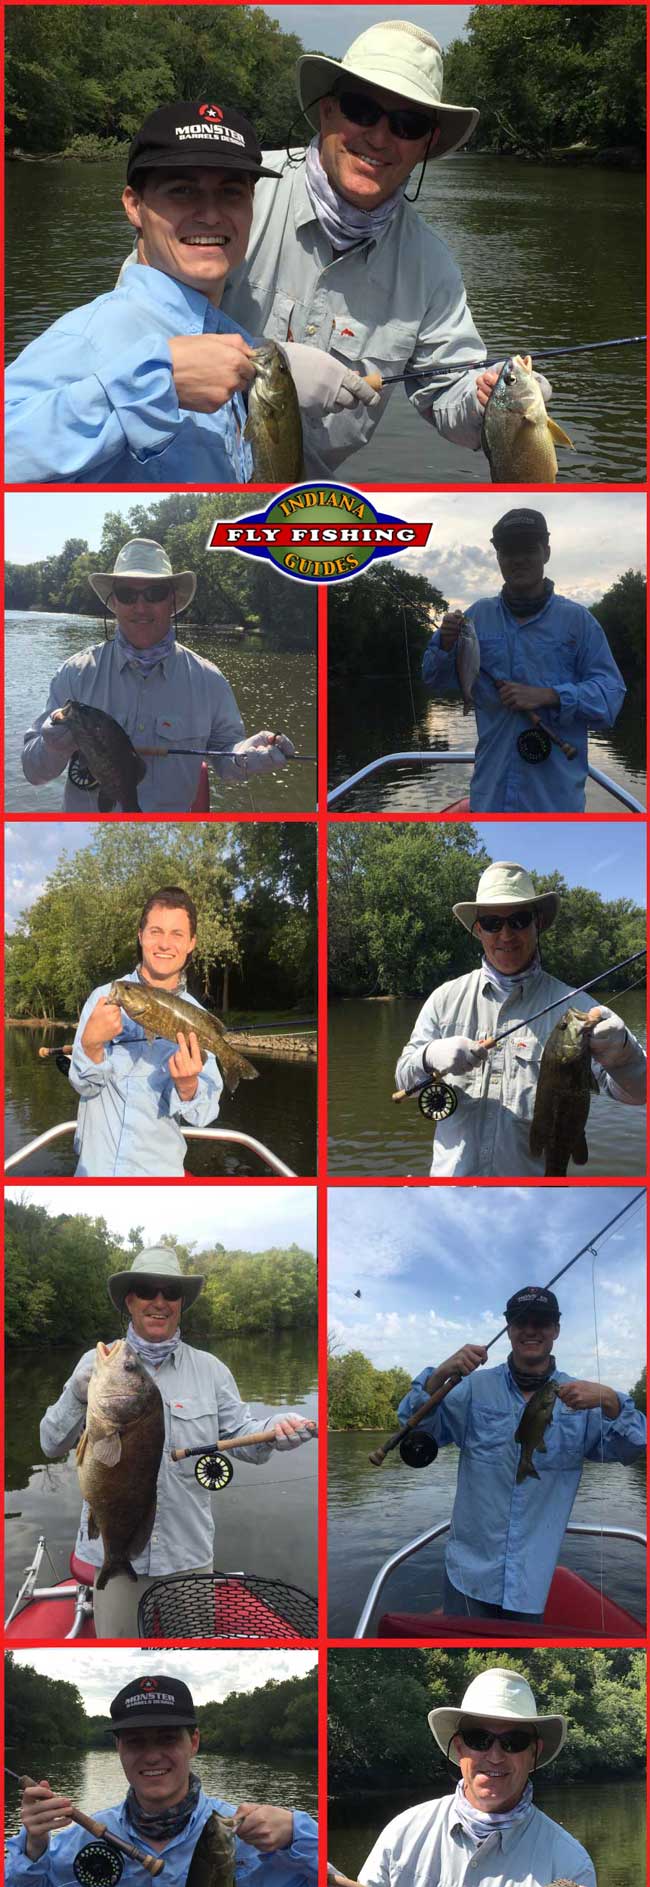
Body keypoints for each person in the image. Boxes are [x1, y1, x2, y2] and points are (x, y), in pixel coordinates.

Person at [221, 20, 544, 476]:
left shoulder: (431, 267)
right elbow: (138, 323)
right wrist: (243, 360)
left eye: (407, 124)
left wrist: (490, 399)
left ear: (425, 144)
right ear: (327, 111)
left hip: (301, 498)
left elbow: (447, 394)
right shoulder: (235, 191)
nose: (379, 137)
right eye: (361, 109)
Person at [5, 99, 376, 484]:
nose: (211, 214)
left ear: (252, 205)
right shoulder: (95, 335)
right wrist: (157, 385)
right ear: (134, 206)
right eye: (183, 191)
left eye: (231, 193)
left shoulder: (228, 337)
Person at [6, 1671, 318, 1887]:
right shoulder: (81, 1841)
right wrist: (34, 1842)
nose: (152, 1755)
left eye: (168, 1739)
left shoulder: (256, 1838)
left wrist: (299, 1830)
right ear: (119, 1748)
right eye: (136, 1741)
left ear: (194, 1742)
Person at [39, 1246, 317, 1638]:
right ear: (129, 1301)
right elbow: (50, 1444)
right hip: (109, 1552)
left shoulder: (212, 1370)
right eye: (147, 1291)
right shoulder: (94, 1364)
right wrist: (77, 1395)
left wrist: (277, 1429)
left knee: (192, 1656)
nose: (159, 1301)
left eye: (170, 1293)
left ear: (181, 1303)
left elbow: (245, 1441)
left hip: (188, 1555)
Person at [328, 1666, 614, 1887]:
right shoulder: (404, 1831)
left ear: (534, 1753)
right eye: (479, 1738)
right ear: (459, 1745)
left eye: (513, 1742)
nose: (494, 1756)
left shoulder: (569, 1861)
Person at [396, 1283, 645, 1622]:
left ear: (556, 1329)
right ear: (508, 1328)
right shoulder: (472, 1387)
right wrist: (439, 1375)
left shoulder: (583, 1397)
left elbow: (633, 1448)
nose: (530, 1329)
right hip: (468, 1573)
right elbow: (417, 1429)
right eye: (520, 1321)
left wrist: (612, 1402)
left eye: (541, 1321)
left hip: (531, 1580)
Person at [395, 860, 646, 1177]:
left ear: (537, 923)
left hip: (534, 1198)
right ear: (477, 930)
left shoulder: (579, 1010)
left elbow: (640, 1094)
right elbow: (403, 1079)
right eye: (491, 922)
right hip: (451, 1197)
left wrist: (624, 1055)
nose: (506, 934)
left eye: (519, 919)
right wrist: (429, 1056)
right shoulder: (444, 999)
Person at [21, 540, 297, 814]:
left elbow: (227, 759)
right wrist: (53, 746)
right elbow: (34, 773)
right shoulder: (74, 673)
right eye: (127, 594)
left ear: (172, 600)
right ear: (114, 602)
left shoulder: (209, 680)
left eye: (155, 593)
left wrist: (247, 754)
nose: (140, 607)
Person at [422, 508, 627, 813]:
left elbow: (612, 696)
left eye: (528, 550)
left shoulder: (578, 621)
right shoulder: (476, 616)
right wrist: (445, 643)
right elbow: (433, 680)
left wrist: (550, 695)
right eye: (508, 551)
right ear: (498, 558)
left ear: (546, 552)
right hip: (489, 797)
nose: (518, 560)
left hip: (555, 803)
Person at [68, 886, 226, 1179]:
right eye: (156, 931)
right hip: (95, 1172)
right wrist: (90, 1047)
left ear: (191, 943)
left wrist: (189, 1085)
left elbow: (203, 1116)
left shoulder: (197, 1017)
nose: (165, 943)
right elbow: (83, 1086)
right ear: (140, 935)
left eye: (177, 934)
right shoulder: (103, 999)